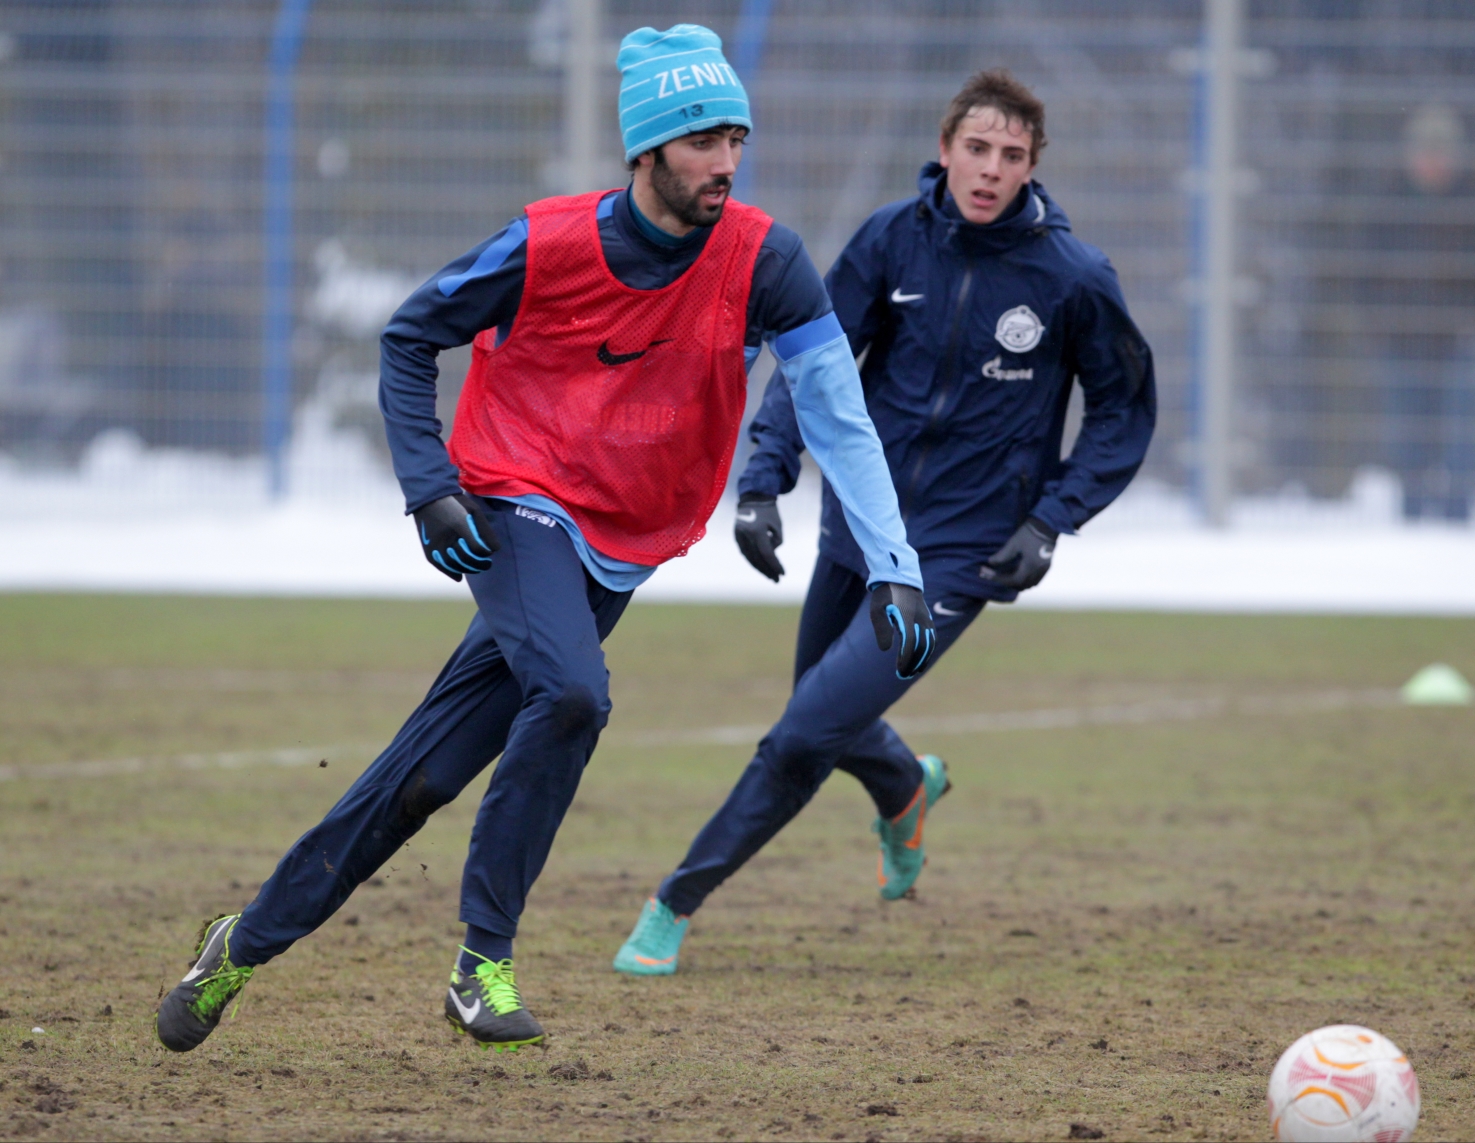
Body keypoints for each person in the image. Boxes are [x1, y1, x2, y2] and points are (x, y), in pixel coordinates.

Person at [155, 24, 935, 1055]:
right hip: (514, 503)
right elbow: (407, 336)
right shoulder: (548, 244)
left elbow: (838, 411)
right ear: (647, 149)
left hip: (621, 539)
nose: (725, 161)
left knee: (421, 779)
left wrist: (895, 564)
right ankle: (483, 960)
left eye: (735, 137)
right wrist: (429, 486)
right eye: (702, 139)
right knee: (573, 691)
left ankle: (239, 946)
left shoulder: (767, 260)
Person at [615, 69, 1156, 976]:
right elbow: (809, 359)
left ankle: (673, 903)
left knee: (802, 734)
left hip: (957, 559)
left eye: (1011, 156)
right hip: (856, 530)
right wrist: (765, 477)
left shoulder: (1072, 279)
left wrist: (1053, 518)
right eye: (975, 149)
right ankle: (905, 786)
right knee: (823, 717)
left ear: (1032, 168)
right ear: (944, 150)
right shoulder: (886, 243)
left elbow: (1122, 413)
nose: (989, 170)